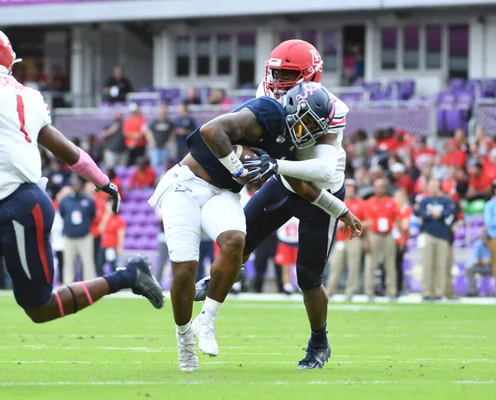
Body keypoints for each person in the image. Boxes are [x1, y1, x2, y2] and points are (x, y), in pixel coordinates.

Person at [0, 26, 163, 342]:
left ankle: (128, 276)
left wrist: (102, 181)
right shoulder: (28, 95)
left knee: (40, 307)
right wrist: (102, 180)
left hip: (18, 206)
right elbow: (68, 151)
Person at [149, 79, 361, 372]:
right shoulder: (266, 113)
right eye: (306, 124)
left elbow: (308, 181)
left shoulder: (308, 133)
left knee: (309, 279)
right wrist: (245, 168)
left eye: (315, 127)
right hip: (205, 184)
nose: (309, 132)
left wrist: (340, 210)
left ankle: (319, 342)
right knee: (237, 243)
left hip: (312, 190)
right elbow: (213, 131)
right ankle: (219, 284)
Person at [327, 179, 367, 300]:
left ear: (355, 190)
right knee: (335, 265)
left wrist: (352, 224)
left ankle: (350, 292)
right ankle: (329, 290)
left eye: (352, 188)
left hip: (353, 238)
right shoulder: (340, 202)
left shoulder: (360, 203)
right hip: (340, 239)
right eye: (347, 188)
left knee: (353, 266)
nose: (349, 190)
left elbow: (369, 221)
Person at [364, 178, 400, 300]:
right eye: (377, 186)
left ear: (385, 188)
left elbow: (397, 219)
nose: (379, 189)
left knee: (390, 264)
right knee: (371, 264)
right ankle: (369, 291)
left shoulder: (391, 202)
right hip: (374, 234)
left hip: (388, 235)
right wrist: (366, 239)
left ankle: (391, 291)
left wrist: (400, 237)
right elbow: (367, 222)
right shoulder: (369, 202)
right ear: (374, 188)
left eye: (382, 187)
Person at [418, 179, 455, 301]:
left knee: (441, 265)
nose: (433, 189)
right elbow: (422, 214)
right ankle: (427, 292)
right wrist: (436, 214)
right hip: (428, 235)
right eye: (431, 186)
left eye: (435, 186)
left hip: (443, 236)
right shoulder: (424, 201)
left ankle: (439, 292)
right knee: (427, 265)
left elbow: (449, 212)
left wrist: (434, 214)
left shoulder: (446, 201)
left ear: (439, 187)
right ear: (428, 188)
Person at [59, 176, 97, 284]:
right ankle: (68, 286)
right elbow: (63, 214)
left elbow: (92, 215)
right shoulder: (65, 201)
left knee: (88, 262)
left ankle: (90, 286)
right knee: (69, 263)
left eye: (78, 184)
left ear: (81, 186)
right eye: (74, 184)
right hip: (69, 237)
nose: (76, 186)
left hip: (84, 237)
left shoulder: (88, 200)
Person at [98, 199, 126, 273]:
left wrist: (119, 247)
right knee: (100, 264)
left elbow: (121, 235)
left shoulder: (119, 220)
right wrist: (105, 217)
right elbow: (100, 230)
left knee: (113, 266)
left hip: (113, 246)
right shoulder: (106, 218)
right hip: (104, 245)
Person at [275, 217, 300, 295]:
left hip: (297, 242)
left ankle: (300, 286)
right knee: (285, 266)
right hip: (284, 242)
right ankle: (287, 286)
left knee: (299, 267)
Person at [465, 229, 493, 297]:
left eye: (486, 238)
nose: (485, 240)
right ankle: (472, 291)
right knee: (469, 269)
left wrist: (490, 261)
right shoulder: (479, 244)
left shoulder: (494, 245)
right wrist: (482, 261)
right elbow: (475, 259)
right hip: (481, 266)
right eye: (483, 238)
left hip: (492, 267)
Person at [146, 104, 174, 168]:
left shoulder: (169, 122)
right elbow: (148, 132)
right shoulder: (154, 121)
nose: (163, 113)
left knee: (165, 165)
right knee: (155, 164)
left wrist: (170, 142)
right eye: (161, 112)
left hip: (165, 147)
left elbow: (172, 132)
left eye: (164, 112)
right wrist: (151, 141)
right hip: (155, 146)